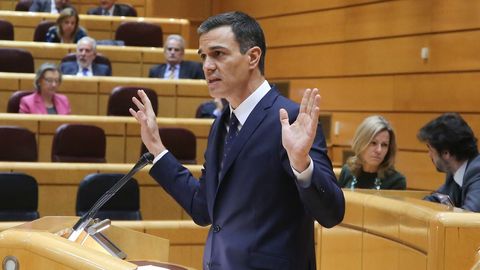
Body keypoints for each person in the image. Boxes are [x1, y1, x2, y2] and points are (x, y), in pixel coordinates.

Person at [130, 11, 345, 269]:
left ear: (253, 57)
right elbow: (203, 208)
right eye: (203, 56)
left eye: (218, 54)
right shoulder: (221, 124)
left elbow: (332, 213)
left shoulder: (290, 118)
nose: (207, 66)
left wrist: (301, 163)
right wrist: (156, 147)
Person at [418, 113, 480, 212]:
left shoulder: (477, 172)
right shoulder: (455, 173)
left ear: (446, 153)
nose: (429, 154)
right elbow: (438, 198)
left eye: (430, 149)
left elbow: (470, 217)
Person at [338, 115, 406, 190]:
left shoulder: (396, 181)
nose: (379, 150)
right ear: (361, 142)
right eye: (373, 143)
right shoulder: (347, 171)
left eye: (384, 145)